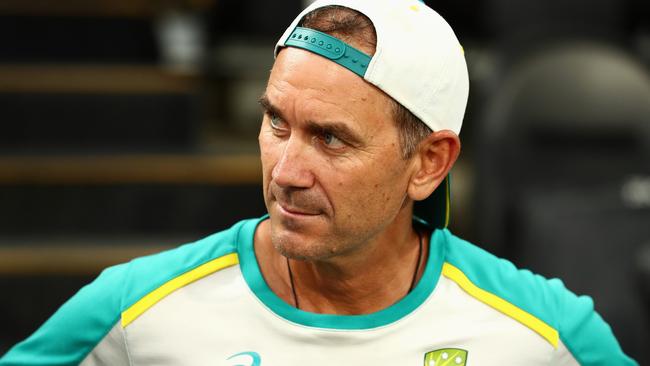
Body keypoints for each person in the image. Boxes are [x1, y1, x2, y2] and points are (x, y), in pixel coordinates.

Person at [0, 0, 637, 365]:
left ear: (429, 164)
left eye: (331, 138)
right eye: (276, 123)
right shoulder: (134, 309)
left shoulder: (545, 334)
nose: (286, 173)